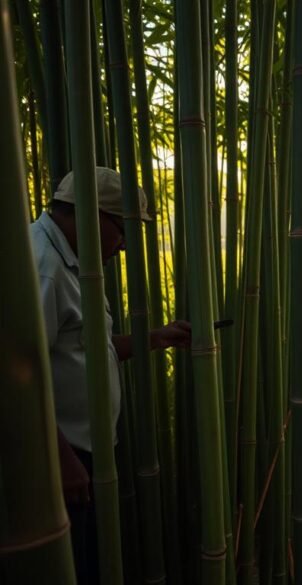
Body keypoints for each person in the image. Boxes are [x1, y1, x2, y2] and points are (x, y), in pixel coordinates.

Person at [29, 167, 191, 585]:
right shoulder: (42, 266)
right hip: (51, 459)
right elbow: (15, 380)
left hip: (74, 453)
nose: (122, 246)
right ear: (91, 215)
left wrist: (156, 338)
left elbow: (84, 350)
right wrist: (61, 461)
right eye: (122, 230)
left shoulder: (68, 260)